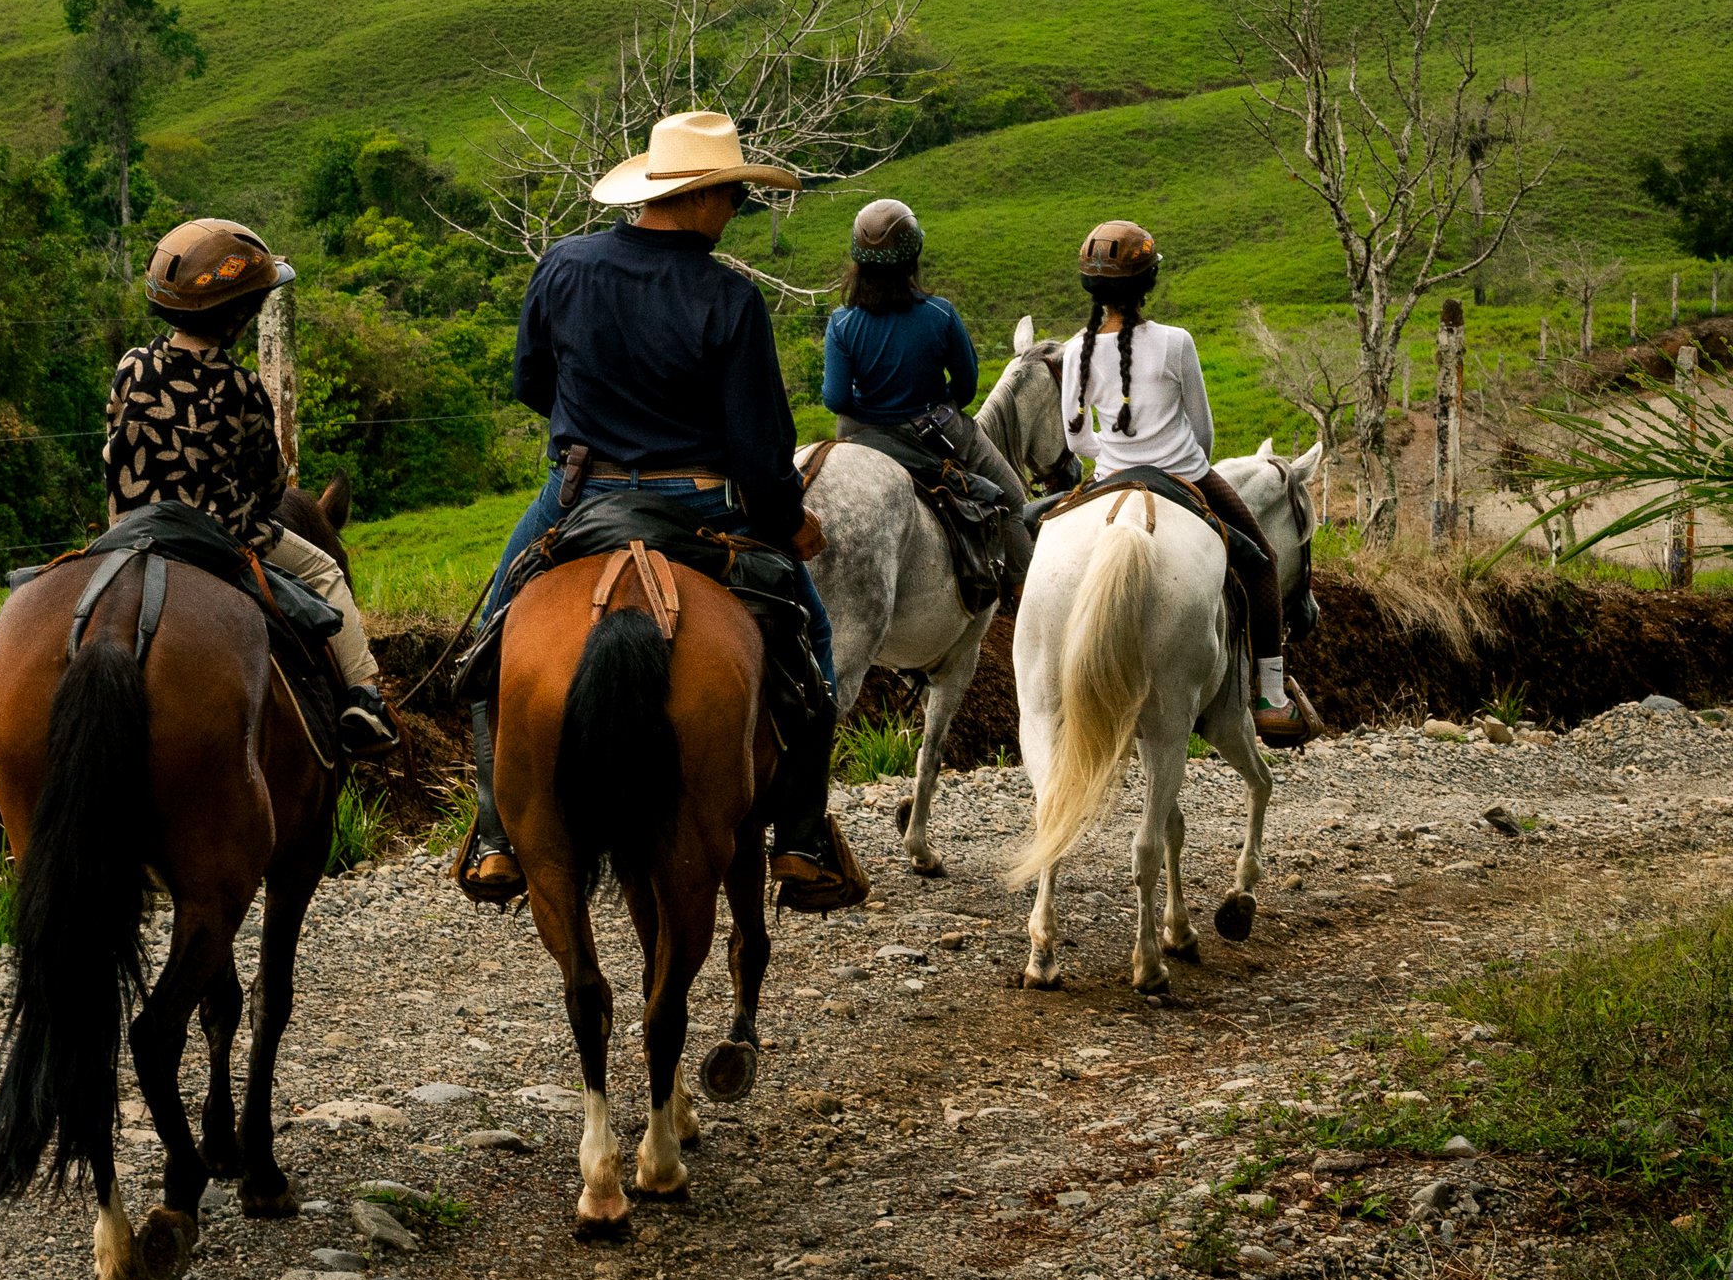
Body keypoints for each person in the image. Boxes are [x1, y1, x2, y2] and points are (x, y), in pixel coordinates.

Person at [457, 109, 859, 909]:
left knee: (489, 644)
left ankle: (499, 836)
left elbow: (532, 383)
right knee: (810, 643)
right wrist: (788, 522)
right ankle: (802, 842)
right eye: (734, 196)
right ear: (704, 197)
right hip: (702, 506)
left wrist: (595, 428)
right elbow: (758, 452)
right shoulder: (730, 300)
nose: (736, 211)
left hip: (579, 496)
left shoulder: (563, 265)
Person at [105, 217, 397, 758]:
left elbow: (113, 447)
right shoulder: (240, 388)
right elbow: (270, 486)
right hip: (216, 535)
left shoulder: (131, 365)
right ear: (238, 315)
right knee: (325, 572)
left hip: (128, 531)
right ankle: (364, 696)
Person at [1061, 219, 1311, 746]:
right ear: (1148, 283)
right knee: (1262, 562)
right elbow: (1203, 430)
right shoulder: (1177, 343)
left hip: (1109, 478)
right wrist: (1182, 465)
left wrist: (1114, 455)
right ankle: (1271, 697)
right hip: (1185, 473)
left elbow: (1076, 438)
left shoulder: (1075, 350)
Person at [821, 196, 1034, 599]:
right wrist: (939, 404)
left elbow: (835, 398)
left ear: (858, 260)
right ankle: (1020, 595)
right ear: (913, 255)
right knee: (1012, 496)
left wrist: (869, 407)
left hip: (865, 432)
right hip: (935, 430)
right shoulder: (940, 314)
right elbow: (967, 386)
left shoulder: (842, 323)